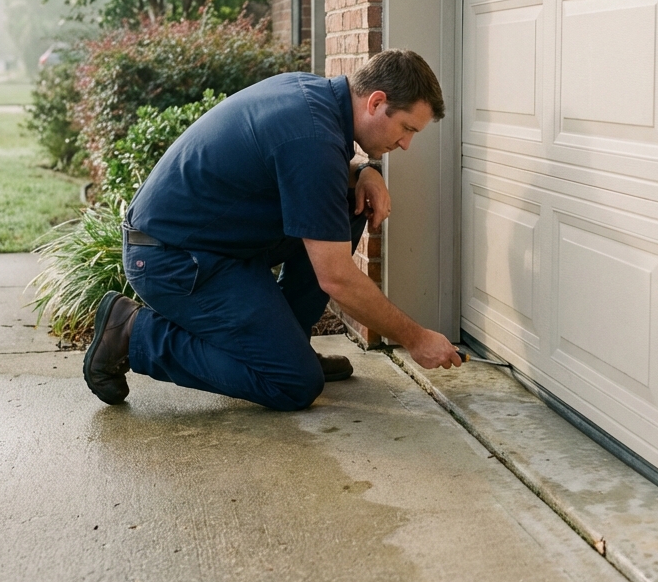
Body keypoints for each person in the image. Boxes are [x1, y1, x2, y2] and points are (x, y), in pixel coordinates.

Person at [83, 48, 463, 410]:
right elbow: (336, 279)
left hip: (210, 245)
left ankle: (287, 344)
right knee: (292, 383)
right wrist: (416, 339)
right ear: (376, 102)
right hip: (173, 258)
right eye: (406, 128)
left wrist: (364, 171)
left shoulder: (312, 98)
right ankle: (134, 334)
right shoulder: (313, 137)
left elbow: (310, 179)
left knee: (349, 203)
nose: (407, 144)